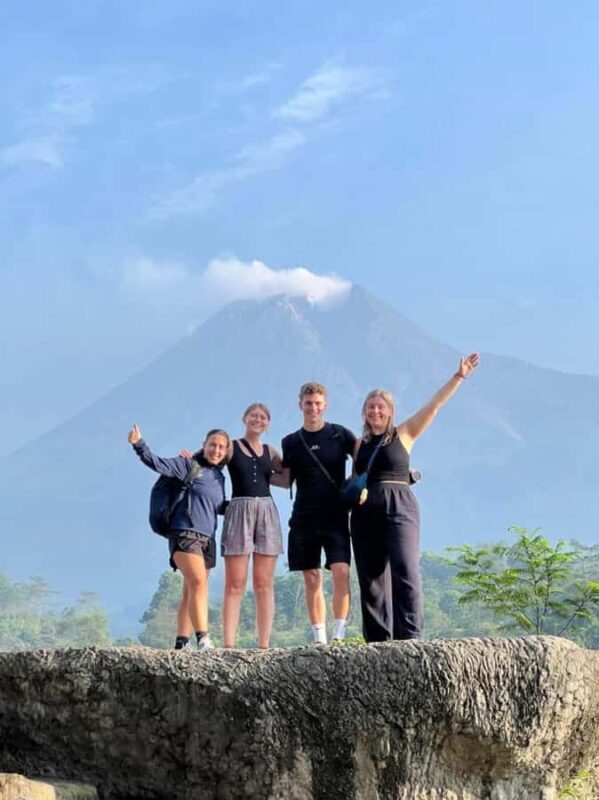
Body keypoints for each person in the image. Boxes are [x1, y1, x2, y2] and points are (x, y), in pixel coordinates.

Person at [351, 353, 480, 642]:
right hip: (366, 510)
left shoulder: (404, 433)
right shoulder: (359, 445)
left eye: (381, 407)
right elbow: (354, 478)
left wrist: (458, 377)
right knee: (371, 578)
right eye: (371, 407)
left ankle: (410, 636)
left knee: (405, 568)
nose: (375, 411)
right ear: (364, 412)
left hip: (400, 504)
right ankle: (378, 639)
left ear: (390, 411)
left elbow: (434, 406)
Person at [128, 423, 229, 651]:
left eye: (221, 447)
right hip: (185, 533)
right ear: (204, 445)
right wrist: (139, 444)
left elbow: (217, 505)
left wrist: (241, 506)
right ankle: (203, 638)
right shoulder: (188, 465)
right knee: (198, 583)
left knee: (190, 589)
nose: (216, 450)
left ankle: (181, 642)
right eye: (212, 445)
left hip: (208, 539)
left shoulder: (218, 477)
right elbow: (158, 463)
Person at [278, 382, 356, 644]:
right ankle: (319, 638)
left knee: (341, 572)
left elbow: (365, 458)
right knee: (312, 578)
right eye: (308, 403)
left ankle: (339, 636)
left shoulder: (340, 434)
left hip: (336, 515)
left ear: (326, 405)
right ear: (300, 405)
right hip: (304, 517)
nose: (313, 408)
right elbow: (285, 479)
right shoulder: (290, 442)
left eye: (318, 403)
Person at [220, 403, 284, 649]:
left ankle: (264, 644)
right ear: (244, 418)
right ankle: (228, 644)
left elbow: (287, 478)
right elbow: (209, 458)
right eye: (253, 416)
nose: (258, 420)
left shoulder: (271, 451)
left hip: (266, 510)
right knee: (235, 582)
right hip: (239, 509)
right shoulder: (231, 446)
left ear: (268, 423)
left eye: (263, 417)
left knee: (263, 583)